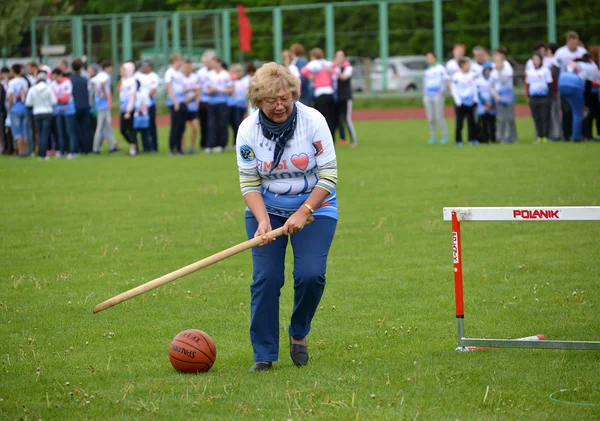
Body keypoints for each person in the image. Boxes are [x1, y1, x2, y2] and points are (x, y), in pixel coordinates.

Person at [236, 62, 338, 372]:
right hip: (265, 209)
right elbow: (249, 182)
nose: (280, 106)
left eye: (285, 98)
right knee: (266, 279)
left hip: (316, 207)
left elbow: (329, 176)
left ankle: (298, 331)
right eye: (271, 100)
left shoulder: (313, 120)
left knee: (310, 274)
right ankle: (263, 354)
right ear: (258, 100)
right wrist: (263, 220)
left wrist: (304, 210)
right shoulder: (247, 130)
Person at [554, 31, 587, 140]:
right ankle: (567, 134)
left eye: (576, 43)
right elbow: (555, 68)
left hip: (579, 85)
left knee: (579, 111)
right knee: (566, 110)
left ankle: (580, 134)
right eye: (572, 43)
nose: (574, 45)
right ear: (567, 42)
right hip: (566, 84)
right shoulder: (561, 52)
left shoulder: (582, 52)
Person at [558, 56, 598, 142]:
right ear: (589, 60)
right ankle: (576, 137)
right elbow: (589, 83)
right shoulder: (590, 66)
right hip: (575, 86)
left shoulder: (570, 64)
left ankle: (566, 134)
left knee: (567, 111)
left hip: (561, 85)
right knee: (578, 112)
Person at [301, 48, 336, 138]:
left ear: (313, 56)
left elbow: (303, 71)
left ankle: (324, 136)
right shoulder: (326, 63)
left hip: (320, 93)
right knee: (331, 116)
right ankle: (332, 136)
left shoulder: (314, 64)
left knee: (322, 116)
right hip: (330, 92)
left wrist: (310, 76)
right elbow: (334, 66)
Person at [25, 72, 56, 159]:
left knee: (39, 133)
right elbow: (54, 101)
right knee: (45, 133)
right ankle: (44, 154)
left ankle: (39, 153)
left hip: (37, 112)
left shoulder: (32, 89)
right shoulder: (48, 88)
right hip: (47, 112)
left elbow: (28, 103)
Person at [205, 56, 232, 153]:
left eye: (213, 62)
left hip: (222, 103)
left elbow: (230, 90)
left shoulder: (225, 75)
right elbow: (207, 89)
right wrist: (210, 91)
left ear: (219, 63)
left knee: (222, 124)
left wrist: (218, 90)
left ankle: (221, 145)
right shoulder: (209, 75)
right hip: (212, 103)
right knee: (211, 124)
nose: (211, 64)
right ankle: (210, 145)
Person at [91, 61, 118, 154]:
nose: (112, 69)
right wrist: (105, 94)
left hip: (99, 103)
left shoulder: (97, 76)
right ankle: (96, 148)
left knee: (106, 126)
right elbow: (102, 83)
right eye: (111, 67)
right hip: (103, 104)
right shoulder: (105, 76)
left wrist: (97, 92)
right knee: (101, 127)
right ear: (107, 67)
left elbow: (92, 83)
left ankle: (111, 146)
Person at [525, 52, 553, 143]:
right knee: (536, 117)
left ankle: (546, 136)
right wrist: (528, 96)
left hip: (544, 97)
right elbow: (528, 84)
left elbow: (550, 84)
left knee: (545, 116)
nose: (535, 61)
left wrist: (550, 97)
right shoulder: (530, 71)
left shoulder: (546, 70)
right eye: (534, 59)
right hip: (534, 97)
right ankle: (539, 136)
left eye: (537, 59)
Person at [491, 49, 517, 144]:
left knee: (510, 118)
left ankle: (513, 138)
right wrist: (495, 95)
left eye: (499, 61)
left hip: (508, 95)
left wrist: (499, 71)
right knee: (501, 118)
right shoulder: (493, 71)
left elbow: (504, 80)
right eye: (496, 61)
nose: (497, 63)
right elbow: (491, 85)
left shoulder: (507, 68)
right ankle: (501, 138)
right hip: (498, 96)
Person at [423, 51, 449, 145]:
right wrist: (424, 95)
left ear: (435, 58)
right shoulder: (427, 71)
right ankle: (433, 137)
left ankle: (445, 136)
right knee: (430, 118)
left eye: (430, 57)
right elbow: (425, 84)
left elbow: (445, 80)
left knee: (439, 117)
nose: (428, 59)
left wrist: (442, 92)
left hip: (438, 95)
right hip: (428, 95)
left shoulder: (440, 68)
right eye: (427, 58)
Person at [450, 57, 478, 146]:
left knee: (472, 122)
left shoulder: (472, 75)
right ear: (462, 65)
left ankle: (472, 139)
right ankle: (458, 140)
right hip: (461, 103)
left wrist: (475, 99)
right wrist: (458, 101)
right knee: (459, 123)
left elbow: (474, 88)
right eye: (467, 64)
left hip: (471, 102)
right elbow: (454, 89)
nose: (469, 66)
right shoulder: (456, 76)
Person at [51, 68, 78, 158]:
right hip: (58, 110)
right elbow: (52, 97)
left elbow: (66, 97)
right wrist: (58, 98)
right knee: (60, 131)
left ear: (59, 75)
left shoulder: (67, 83)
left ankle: (72, 151)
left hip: (68, 110)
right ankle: (62, 151)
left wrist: (57, 98)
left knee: (70, 131)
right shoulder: (53, 84)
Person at [333, 50, 357, 148]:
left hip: (346, 97)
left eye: (341, 56)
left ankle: (353, 141)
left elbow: (344, 77)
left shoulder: (348, 68)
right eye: (337, 56)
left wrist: (334, 71)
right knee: (336, 119)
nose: (338, 58)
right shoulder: (334, 68)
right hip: (336, 98)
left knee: (347, 119)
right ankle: (339, 139)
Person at [136, 61, 159, 152]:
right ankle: (144, 146)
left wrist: (145, 99)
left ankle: (154, 146)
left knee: (152, 125)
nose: (144, 68)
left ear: (150, 67)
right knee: (142, 125)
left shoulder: (154, 76)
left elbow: (153, 90)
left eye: (146, 66)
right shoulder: (139, 76)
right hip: (141, 105)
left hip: (150, 104)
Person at [7, 64, 29, 157]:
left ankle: (20, 153)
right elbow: (26, 94)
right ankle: (25, 151)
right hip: (24, 107)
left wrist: (9, 107)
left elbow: (11, 96)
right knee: (24, 131)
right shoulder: (24, 81)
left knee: (17, 132)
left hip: (15, 108)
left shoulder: (11, 82)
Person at [165, 53, 185, 155]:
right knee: (175, 126)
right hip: (175, 103)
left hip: (182, 101)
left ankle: (179, 148)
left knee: (181, 126)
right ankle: (172, 148)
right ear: (174, 61)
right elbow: (169, 88)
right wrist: (175, 101)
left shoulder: (179, 73)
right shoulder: (170, 73)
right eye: (179, 61)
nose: (181, 63)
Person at [197, 50, 217, 152]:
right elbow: (198, 87)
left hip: (213, 100)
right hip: (203, 100)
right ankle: (203, 143)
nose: (207, 63)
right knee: (203, 123)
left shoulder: (215, 72)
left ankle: (213, 142)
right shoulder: (200, 73)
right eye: (205, 61)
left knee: (212, 123)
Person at [71, 59, 91, 154]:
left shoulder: (70, 80)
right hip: (85, 105)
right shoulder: (84, 80)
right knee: (86, 129)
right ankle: (87, 149)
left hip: (74, 106)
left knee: (75, 129)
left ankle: (77, 148)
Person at [181, 59, 201, 154]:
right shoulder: (180, 78)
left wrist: (195, 99)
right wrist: (190, 91)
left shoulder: (195, 77)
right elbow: (180, 92)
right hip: (184, 106)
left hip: (193, 107)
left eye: (189, 67)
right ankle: (183, 147)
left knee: (195, 127)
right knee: (182, 129)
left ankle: (192, 147)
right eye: (186, 67)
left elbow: (198, 91)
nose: (187, 69)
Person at [118, 62, 137, 156]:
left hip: (128, 109)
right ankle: (133, 145)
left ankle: (133, 148)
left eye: (124, 69)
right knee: (123, 129)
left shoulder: (132, 81)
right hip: (123, 108)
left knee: (128, 129)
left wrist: (129, 110)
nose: (121, 71)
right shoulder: (123, 80)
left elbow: (132, 96)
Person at [476, 62, 496, 143]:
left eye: (489, 70)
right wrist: (485, 102)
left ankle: (493, 138)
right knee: (483, 122)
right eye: (486, 70)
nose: (488, 71)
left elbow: (494, 92)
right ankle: (484, 139)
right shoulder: (479, 80)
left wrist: (491, 102)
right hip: (482, 104)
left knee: (492, 123)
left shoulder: (493, 80)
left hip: (492, 104)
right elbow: (478, 93)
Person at [228, 63, 249, 141]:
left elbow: (246, 95)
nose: (237, 74)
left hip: (242, 105)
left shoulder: (245, 81)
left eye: (238, 71)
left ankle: (240, 140)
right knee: (235, 124)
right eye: (235, 72)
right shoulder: (231, 82)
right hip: (233, 105)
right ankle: (235, 140)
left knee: (241, 124)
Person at [582, 48, 600, 140]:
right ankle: (589, 135)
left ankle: (587, 135)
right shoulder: (592, 67)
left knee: (591, 114)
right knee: (593, 114)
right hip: (592, 94)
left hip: (590, 94)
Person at [132, 79, 152, 153]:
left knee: (136, 133)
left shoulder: (139, 93)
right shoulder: (144, 93)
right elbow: (149, 104)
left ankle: (136, 148)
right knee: (144, 133)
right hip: (143, 115)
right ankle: (146, 148)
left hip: (138, 115)